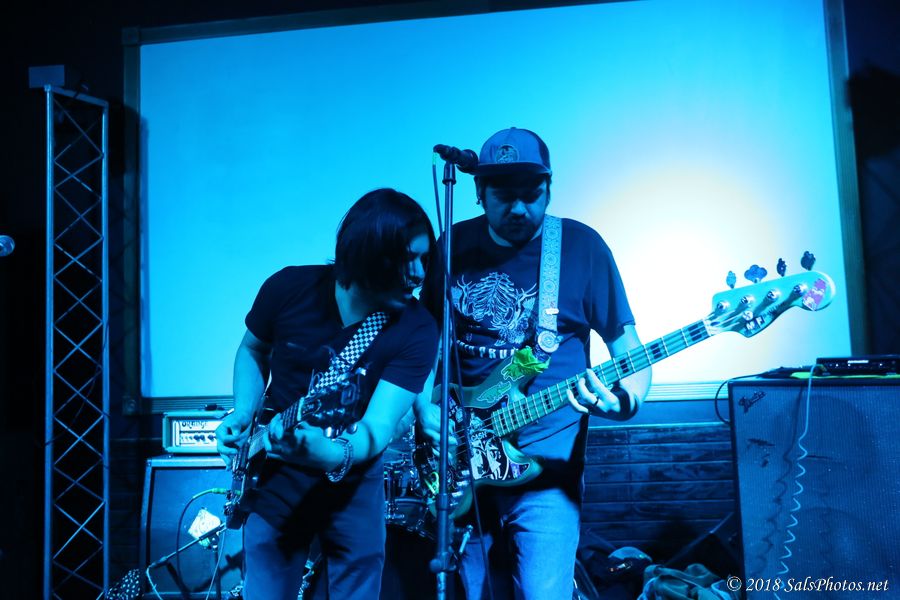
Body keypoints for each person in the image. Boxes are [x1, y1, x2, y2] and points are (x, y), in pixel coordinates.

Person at [415, 127, 652, 599]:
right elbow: (426, 342)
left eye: (532, 194)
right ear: (480, 192)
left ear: (549, 188)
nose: (520, 209)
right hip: (460, 457)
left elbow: (627, 346)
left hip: (547, 464)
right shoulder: (452, 246)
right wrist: (423, 407)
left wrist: (627, 401)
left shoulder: (582, 248)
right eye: (505, 197)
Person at [216, 188, 439, 599]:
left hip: (354, 487)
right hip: (274, 483)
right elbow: (252, 349)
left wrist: (332, 454)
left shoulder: (417, 328)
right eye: (407, 259)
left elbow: (377, 426)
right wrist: (243, 412)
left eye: (425, 259)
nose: (419, 274)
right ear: (368, 253)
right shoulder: (288, 287)